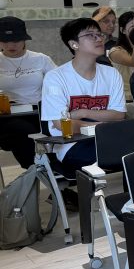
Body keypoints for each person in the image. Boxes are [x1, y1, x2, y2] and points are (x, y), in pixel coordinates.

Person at [41, 18, 126, 176]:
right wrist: (101, 126)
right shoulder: (55, 77)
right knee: (120, 157)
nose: (98, 38)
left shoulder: (111, 73)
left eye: (99, 34)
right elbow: (61, 124)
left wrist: (82, 112)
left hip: (107, 139)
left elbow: (118, 114)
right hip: (72, 144)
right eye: (90, 35)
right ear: (74, 44)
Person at [0, 17, 56, 168]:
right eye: (4, 41)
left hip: (39, 111)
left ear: (24, 39)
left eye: (16, 40)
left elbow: (59, 84)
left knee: (55, 129)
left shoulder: (41, 59)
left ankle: (52, 170)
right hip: (8, 115)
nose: (11, 45)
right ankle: (38, 169)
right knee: (23, 131)